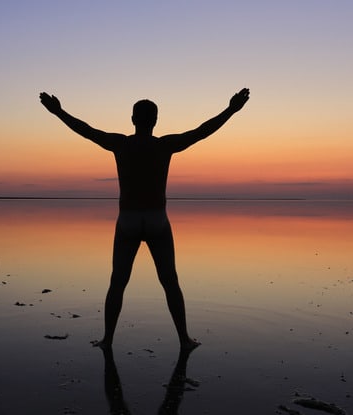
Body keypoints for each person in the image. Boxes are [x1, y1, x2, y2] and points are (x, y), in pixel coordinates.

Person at [39, 88, 250, 350]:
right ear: (156, 120)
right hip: (156, 220)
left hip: (128, 219)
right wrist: (230, 110)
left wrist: (58, 112)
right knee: (170, 281)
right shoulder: (164, 146)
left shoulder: (121, 144)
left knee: (118, 282)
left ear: (132, 119)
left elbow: (86, 130)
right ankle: (184, 339)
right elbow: (201, 132)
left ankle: (108, 340)